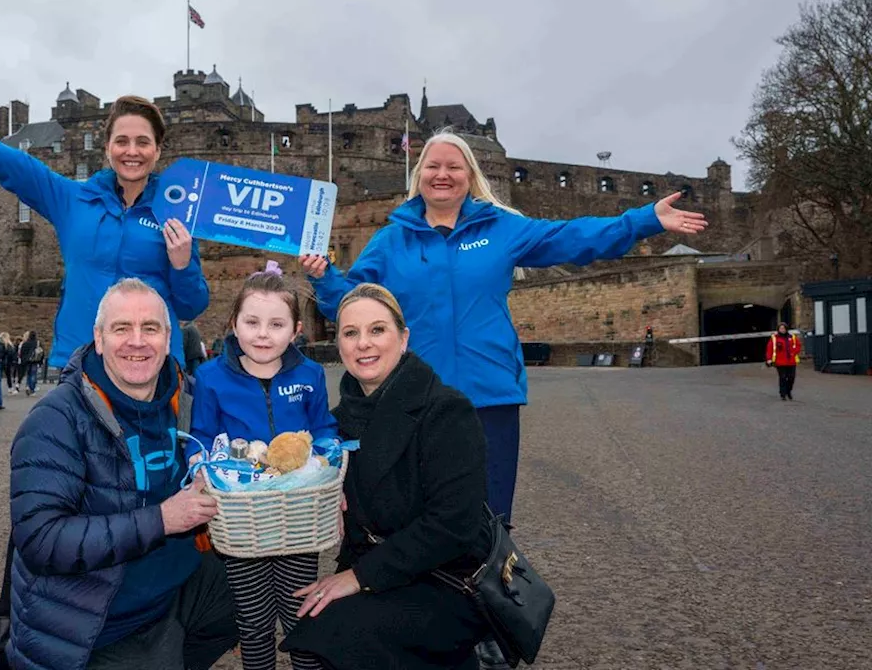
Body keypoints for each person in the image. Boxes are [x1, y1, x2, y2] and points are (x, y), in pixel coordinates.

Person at [301, 130, 708, 527]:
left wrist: (645, 219)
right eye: (433, 166)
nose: (442, 174)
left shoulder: (501, 229)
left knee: (489, 519)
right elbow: (349, 304)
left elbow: (573, 237)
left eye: (454, 167)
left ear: (470, 176)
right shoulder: (390, 241)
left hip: (489, 395)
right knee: (416, 516)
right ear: (418, 175)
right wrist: (323, 277)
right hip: (412, 396)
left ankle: (486, 594)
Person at [0, 86, 210, 370]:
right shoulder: (72, 201)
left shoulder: (177, 215)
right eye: (122, 141)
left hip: (154, 363)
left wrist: (182, 265)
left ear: (158, 150)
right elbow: (4, 159)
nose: (132, 151)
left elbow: (191, 306)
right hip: (84, 361)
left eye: (143, 142)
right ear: (108, 147)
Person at [6, 278, 237, 669]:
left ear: (167, 339)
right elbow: (42, 540)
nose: (137, 341)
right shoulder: (56, 419)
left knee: (257, 592)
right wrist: (163, 519)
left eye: (150, 328)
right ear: (98, 339)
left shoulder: (187, 398)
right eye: (121, 328)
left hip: (177, 588)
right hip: (99, 622)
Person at [280, 284, 491, 670]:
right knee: (313, 625)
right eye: (350, 333)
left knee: (335, 633)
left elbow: (454, 525)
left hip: (447, 580)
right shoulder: (338, 421)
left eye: (377, 330)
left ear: (403, 338)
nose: (364, 344)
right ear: (339, 345)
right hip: (383, 570)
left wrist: (358, 578)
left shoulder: (447, 410)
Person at [189, 262, 338, 670]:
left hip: (296, 517)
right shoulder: (210, 377)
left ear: (295, 330)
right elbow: (202, 433)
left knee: (300, 614)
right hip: (242, 520)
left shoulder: (309, 374)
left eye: (276, 324)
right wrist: (198, 464)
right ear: (234, 324)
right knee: (253, 622)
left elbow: (324, 427)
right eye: (252, 321)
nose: (262, 333)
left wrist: (329, 456)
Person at [766, 322, 801, 400]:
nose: (782, 330)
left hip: (791, 361)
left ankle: (788, 391)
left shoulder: (792, 337)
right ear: (778, 329)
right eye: (781, 328)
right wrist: (769, 359)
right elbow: (769, 349)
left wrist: (793, 352)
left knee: (791, 377)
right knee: (782, 377)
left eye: (784, 328)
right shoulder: (774, 338)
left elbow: (798, 346)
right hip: (780, 362)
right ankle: (783, 394)